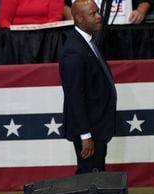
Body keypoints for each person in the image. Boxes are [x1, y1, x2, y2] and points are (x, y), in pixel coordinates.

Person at [59, 0, 117, 174]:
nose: (99, 17)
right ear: (79, 18)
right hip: (90, 131)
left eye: (98, 12)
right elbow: (74, 96)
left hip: (98, 126)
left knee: (93, 175)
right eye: (93, 14)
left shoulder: (89, 42)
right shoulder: (73, 50)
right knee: (91, 180)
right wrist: (86, 136)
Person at [64, 0, 153, 24]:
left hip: (123, 32)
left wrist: (140, 11)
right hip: (90, 33)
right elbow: (65, 6)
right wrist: (73, 18)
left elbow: (144, 1)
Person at [0, 0, 65, 28]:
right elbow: (3, 19)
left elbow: (55, 17)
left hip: (44, 37)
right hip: (15, 38)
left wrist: (41, 30)